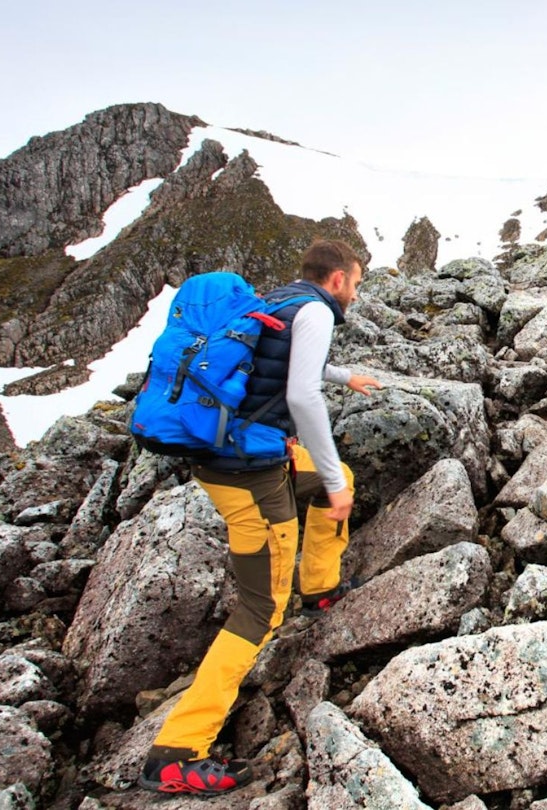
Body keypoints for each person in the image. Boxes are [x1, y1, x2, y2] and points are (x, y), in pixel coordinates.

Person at [139, 239, 382, 795]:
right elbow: (301, 395)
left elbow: (286, 364)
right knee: (260, 608)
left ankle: (319, 587)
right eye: (358, 281)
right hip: (248, 471)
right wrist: (333, 472)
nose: (358, 291)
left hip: (232, 451)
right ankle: (176, 751)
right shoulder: (318, 309)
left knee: (328, 480)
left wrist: (346, 379)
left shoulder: (282, 300)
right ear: (340, 278)